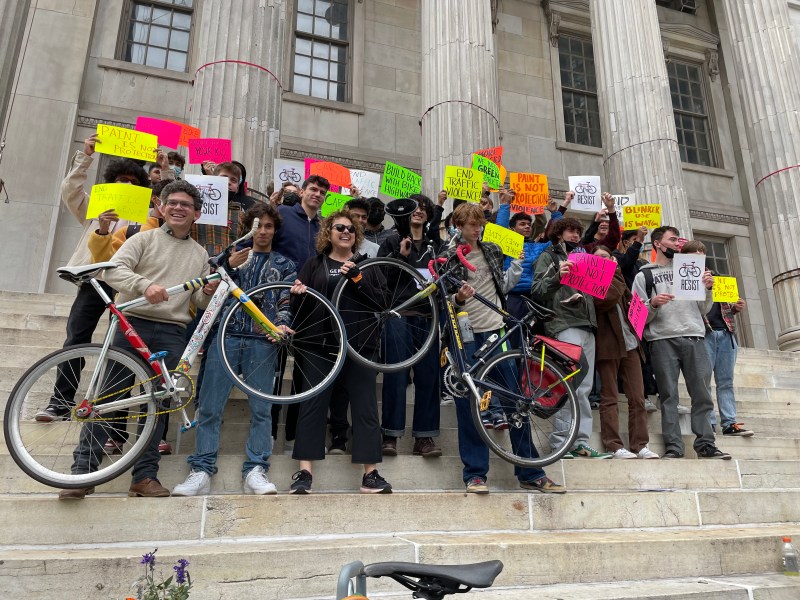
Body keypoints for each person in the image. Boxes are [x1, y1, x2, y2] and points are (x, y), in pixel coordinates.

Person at [59, 179, 212, 500]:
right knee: (108, 399)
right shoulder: (142, 239)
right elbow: (112, 271)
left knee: (159, 404)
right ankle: (82, 474)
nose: (178, 208)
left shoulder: (200, 254)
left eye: (186, 204)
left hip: (172, 332)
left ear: (197, 214)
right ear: (161, 207)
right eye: (173, 203)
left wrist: (206, 292)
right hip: (132, 325)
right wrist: (145, 286)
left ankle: (144, 477)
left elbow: (196, 301)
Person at [172, 203, 298, 496]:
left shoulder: (284, 265)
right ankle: (201, 469)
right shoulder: (229, 258)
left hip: (262, 342)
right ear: (248, 228)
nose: (263, 231)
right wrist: (228, 265)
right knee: (210, 406)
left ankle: (256, 469)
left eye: (268, 226)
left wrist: (279, 326)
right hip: (224, 338)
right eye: (258, 225)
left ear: (275, 230)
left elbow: (283, 302)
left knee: (262, 409)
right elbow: (208, 293)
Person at [444, 203, 565, 494]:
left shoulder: (493, 250)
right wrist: (459, 299)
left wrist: (517, 266)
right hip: (466, 336)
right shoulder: (448, 256)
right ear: (459, 226)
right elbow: (445, 301)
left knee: (516, 403)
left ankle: (530, 472)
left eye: (480, 223)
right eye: (472, 224)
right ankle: (475, 474)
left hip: (497, 333)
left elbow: (503, 286)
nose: (477, 228)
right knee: (470, 405)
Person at [34, 134, 150, 422]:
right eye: (121, 179)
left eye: (133, 181)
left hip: (125, 284)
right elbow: (70, 190)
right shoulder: (95, 207)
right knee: (75, 340)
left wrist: (165, 169)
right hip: (92, 282)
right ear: (111, 183)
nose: (126, 184)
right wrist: (85, 156)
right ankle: (59, 403)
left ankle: (114, 415)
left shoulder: (146, 215)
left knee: (123, 347)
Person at [289, 210, 392, 494]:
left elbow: (382, 303)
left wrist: (358, 278)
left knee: (365, 407)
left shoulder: (368, 265)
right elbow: (300, 310)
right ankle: (305, 474)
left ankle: (370, 474)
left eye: (350, 229)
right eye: (339, 228)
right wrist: (297, 296)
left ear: (356, 236)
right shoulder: (313, 264)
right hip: (320, 345)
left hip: (359, 346)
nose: (345, 232)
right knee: (312, 406)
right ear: (328, 233)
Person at [632, 227, 731, 459]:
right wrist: (653, 304)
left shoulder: (690, 269)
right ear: (657, 243)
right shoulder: (643, 275)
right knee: (668, 397)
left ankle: (706, 444)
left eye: (678, 240)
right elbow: (636, 316)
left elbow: (703, 309)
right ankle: (674, 447)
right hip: (661, 340)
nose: (678, 244)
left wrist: (707, 290)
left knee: (702, 394)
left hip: (695, 336)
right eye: (673, 239)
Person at [531, 217, 611, 459]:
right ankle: (560, 442)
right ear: (558, 233)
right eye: (570, 231)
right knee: (567, 383)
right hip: (563, 323)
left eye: (578, 231)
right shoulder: (549, 256)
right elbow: (537, 290)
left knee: (584, 388)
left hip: (587, 324)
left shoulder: (585, 259)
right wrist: (558, 276)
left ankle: (580, 441)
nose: (575, 235)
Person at [377, 195, 443, 458]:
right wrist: (400, 257)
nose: (419, 212)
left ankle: (424, 438)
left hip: (428, 316)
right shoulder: (391, 241)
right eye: (415, 208)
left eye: (424, 209)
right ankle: (390, 434)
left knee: (429, 377)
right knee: (396, 374)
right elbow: (382, 277)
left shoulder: (433, 246)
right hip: (398, 314)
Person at [271, 175, 330, 452]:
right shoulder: (282, 213)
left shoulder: (324, 226)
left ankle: (294, 432)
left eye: (322, 192)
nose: (317, 194)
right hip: (280, 299)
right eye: (313, 189)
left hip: (310, 304)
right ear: (303, 191)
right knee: (275, 368)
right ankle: (270, 432)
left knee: (302, 373)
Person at [678, 241, 754, 437]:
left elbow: (722, 309)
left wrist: (735, 308)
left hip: (725, 332)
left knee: (726, 381)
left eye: (702, 253)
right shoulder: (684, 279)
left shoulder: (718, 277)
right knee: (703, 382)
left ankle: (729, 423)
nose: (700, 257)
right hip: (703, 334)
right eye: (695, 254)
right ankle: (708, 423)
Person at [591, 246, 659, 459]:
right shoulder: (596, 282)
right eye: (599, 258)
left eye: (606, 256)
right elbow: (605, 300)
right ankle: (614, 445)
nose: (604, 260)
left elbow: (634, 308)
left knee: (637, 398)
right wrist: (617, 277)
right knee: (609, 397)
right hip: (608, 345)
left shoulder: (619, 281)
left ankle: (640, 445)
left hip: (631, 345)